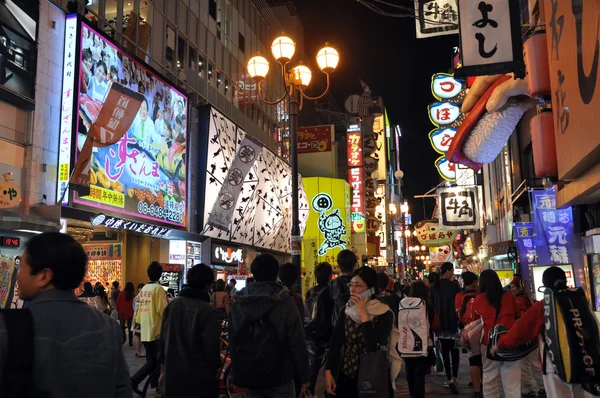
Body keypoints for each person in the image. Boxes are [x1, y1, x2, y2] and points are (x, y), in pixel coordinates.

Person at [0, 232, 131, 397]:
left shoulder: (8, 328)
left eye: (22, 269)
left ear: (44, 276)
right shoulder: (107, 327)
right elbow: (122, 390)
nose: (18, 276)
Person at [492, 267, 592, 398]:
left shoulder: (545, 305)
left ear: (544, 284)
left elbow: (521, 330)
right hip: (586, 360)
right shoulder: (580, 300)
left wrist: (500, 344)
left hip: (555, 364)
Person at [229, 254, 309, 398]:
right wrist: (304, 376)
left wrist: (237, 375)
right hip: (280, 374)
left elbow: (234, 340)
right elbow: (296, 340)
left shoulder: (239, 301)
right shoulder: (285, 300)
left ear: (254, 273)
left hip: (250, 374)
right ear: (276, 273)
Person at [324, 266, 394, 398]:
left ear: (371, 289)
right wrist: (328, 371)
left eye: (358, 286)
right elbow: (335, 343)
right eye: (351, 285)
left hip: (373, 377)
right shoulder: (347, 311)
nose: (352, 289)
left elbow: (374, 346)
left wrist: (364, 314)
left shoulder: (384, 312)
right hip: (346, 376)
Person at [159, 264, 220, 398]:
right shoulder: (208, 311)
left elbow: (163, 341)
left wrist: (162, 371)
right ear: (208, 285)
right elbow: (211, 350)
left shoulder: (172, 306)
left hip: (172, 378)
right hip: (199, 382)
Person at [473, 269, 519, 398]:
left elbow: (474, 320)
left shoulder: (479, 299)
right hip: (510, 342)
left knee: (489, 378)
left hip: (488, 342)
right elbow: (517, 314)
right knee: (512, 380)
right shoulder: (509, 296)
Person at [131, 262, 168, 395]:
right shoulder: (158, 289)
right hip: (156, 330)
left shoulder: (144, 288)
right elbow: (163, 310)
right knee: (158, 361)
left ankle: (150, 385)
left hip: (146, 329)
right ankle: (137, 381)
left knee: (151, 360)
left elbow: (140, 310)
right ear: (160, 274)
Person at [508, 276, 544, 398]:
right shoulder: (528, 299)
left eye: (513, 287)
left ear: (519, 288)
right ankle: (543, 387)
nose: (511, 289)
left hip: (526, 337)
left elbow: (521, 320)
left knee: (524, 365)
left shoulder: (520, 301)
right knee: (534, 364)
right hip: (534, 337)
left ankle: (528, 390)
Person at [431, 262, 461, 394]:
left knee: (445, 351)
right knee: (455, 351)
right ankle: (455, 378)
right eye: (452, 271)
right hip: (453, 323)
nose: (453, 273)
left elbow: (431, 306)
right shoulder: (454, 285)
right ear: (448, 271)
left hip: (440, 324)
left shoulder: (433, 286)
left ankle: (449, 379)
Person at [304, 262, 334, 395]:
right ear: (329, 276)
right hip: (329, 334)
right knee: (330, 366)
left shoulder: (310, 292)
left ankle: (309, 392)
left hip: (313, 334)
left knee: (314, 366)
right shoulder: (332, 292)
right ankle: (329, 391)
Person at [403, 281, 436, 398]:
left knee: (410, 374)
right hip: (423, 345)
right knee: (419, 376)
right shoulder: (428, 306)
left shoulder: (403, 305)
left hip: (406, 344)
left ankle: (413, 395)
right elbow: (434, 325)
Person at [455, 271, 482, 398]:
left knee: (473, 360)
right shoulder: (480, 296)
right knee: (482, 360)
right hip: (481, 329)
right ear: (474, 282)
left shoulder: (459, 296)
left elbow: (458, 314)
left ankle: (477, 389)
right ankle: (481, 384)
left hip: (467, 331)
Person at [330, 249, 358, 327]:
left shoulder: (333, 284)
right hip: (355, 322)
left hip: (337, 323)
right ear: (354, 264)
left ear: (338, 264)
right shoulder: (359, 283)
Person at [116, 282, 135, 346]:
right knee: (130, 328)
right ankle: (130, 341)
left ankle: (123, 339)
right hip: (130, 313)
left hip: (122, 313)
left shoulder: (121, 294)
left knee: (122, 327)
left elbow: (117, 303)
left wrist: (118, 310)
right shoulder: (133, 295)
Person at [132, 283, 145, 358]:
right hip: (141, 317)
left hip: (136, 317)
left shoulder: (136, 297)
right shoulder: (144, 297)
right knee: (139, 335)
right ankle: (139, 351)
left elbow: (134, 308)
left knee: (137, 335)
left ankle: (138, 351)